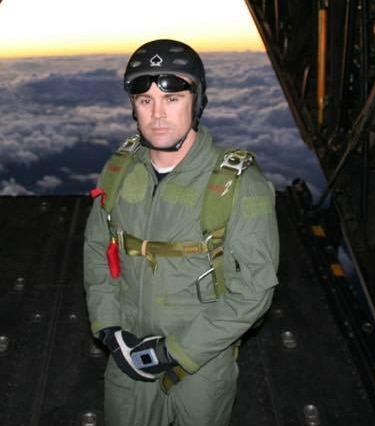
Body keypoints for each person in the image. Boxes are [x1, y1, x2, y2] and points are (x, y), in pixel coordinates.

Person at [83, 39, 280, 426]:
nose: (157, 114)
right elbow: (97, 249)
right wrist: (108, 329)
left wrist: (174, 351)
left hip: (201, 360)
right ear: (133, 108)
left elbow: (256, 290)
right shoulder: (119, 171)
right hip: (128, 350)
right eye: (145, 101)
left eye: (172, 99)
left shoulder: (239, 186)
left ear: (197, 101)